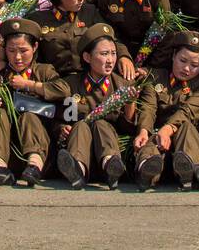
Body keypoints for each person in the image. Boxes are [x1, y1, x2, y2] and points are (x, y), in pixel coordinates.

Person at [49, 23, 136, 190]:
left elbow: (128, 128)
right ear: (87, 57)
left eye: (113, 53)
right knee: (80, 125)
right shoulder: (73, 85)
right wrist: (62, 128)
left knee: (101, 124)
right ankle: (77, 170)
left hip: (110, 152)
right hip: (83, 153)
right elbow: (65, 118)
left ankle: (112, 167)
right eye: (104, 54)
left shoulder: (122, 86)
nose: (110, 60)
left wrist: (129, 104)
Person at [133, 31, 199, 190]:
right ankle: (147, 170)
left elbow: (188, 111)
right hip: (159, 137)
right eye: (182, 60)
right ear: (173, 56)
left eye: (194, 65)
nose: (186, 68)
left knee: (186, 127)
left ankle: (187, 170)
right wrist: (143, 131)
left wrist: (168, 129)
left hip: (186, 140)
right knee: (151, 140)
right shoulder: (155, 77)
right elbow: (149, 107)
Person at [0, 17, 64, 186]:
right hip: (10, 148)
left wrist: (30, 85)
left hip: (40, 149)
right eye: (11, 51)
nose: (17, 57)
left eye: (23, 51)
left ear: (35, 47)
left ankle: (34, 164)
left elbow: (62, 90)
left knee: (29, 116)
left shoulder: (44, 70)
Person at [29, 0, 107, 73]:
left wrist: (124, 57)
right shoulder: (37, 20)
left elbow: (110, 39)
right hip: (53, 83)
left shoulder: (89, 12)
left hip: (85, 81)